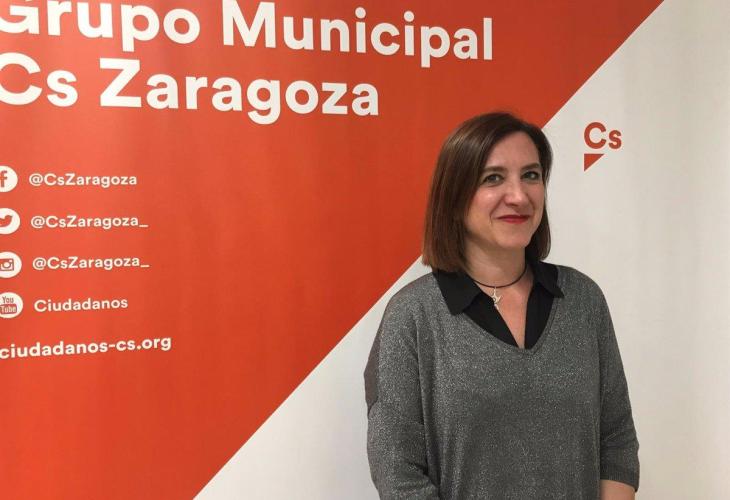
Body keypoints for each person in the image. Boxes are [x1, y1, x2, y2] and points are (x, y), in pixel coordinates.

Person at [364, 112, 639, 499]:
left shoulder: (582, 299)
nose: (519, 196)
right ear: (455, 196)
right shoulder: (413, 316)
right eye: (493, 178)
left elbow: (616, 441)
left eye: (531, 175)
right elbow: (399, 474)